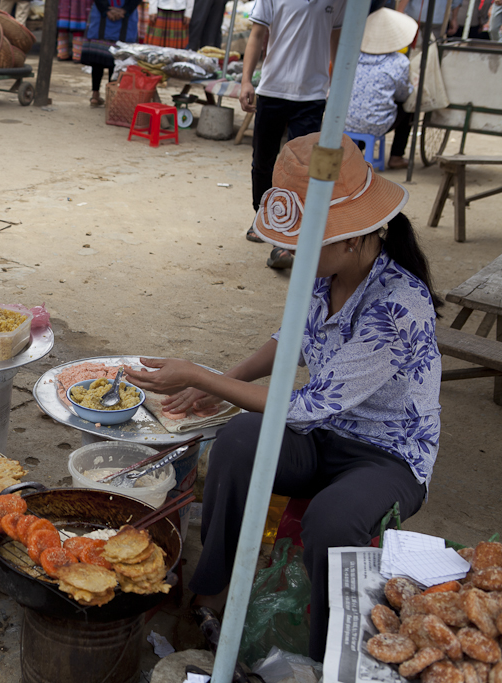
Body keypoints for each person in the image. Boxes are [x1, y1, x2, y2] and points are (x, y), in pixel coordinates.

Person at [126, 133, 442, 661]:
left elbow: (303, 405)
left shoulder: (400, 305)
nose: (290, 254)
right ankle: (212, 589)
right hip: (325, 437)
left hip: (389, 459)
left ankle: (323, 657)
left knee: (333, 519)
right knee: (238, 441)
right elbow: (291, 338)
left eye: (303, 244)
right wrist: (225, 381)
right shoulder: (326, 272)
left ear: (352, 238)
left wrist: (203, 378)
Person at [239, 0, 345, 271]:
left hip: (312, 95)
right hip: (273, 88)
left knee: (302, 168)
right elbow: (257, 34)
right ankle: (263, 216)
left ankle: (286, 237)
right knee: (263, 160)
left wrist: (337, 86)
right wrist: (246, 80)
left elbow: (337, 39)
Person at [346, 8, 417, 170]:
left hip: (343, 120)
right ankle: (396, 156)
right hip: (375, 124)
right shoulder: (399, 62)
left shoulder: (352, 54)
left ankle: (356, 150)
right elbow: (402, 95)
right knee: (408, 109)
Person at [81, 0, 139, 107]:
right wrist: (124, 10)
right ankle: (111, 97)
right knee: (117, 60)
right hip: (121, 14)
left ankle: (95, 95)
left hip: (105, 12)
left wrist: (107, 10)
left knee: (99, 59)